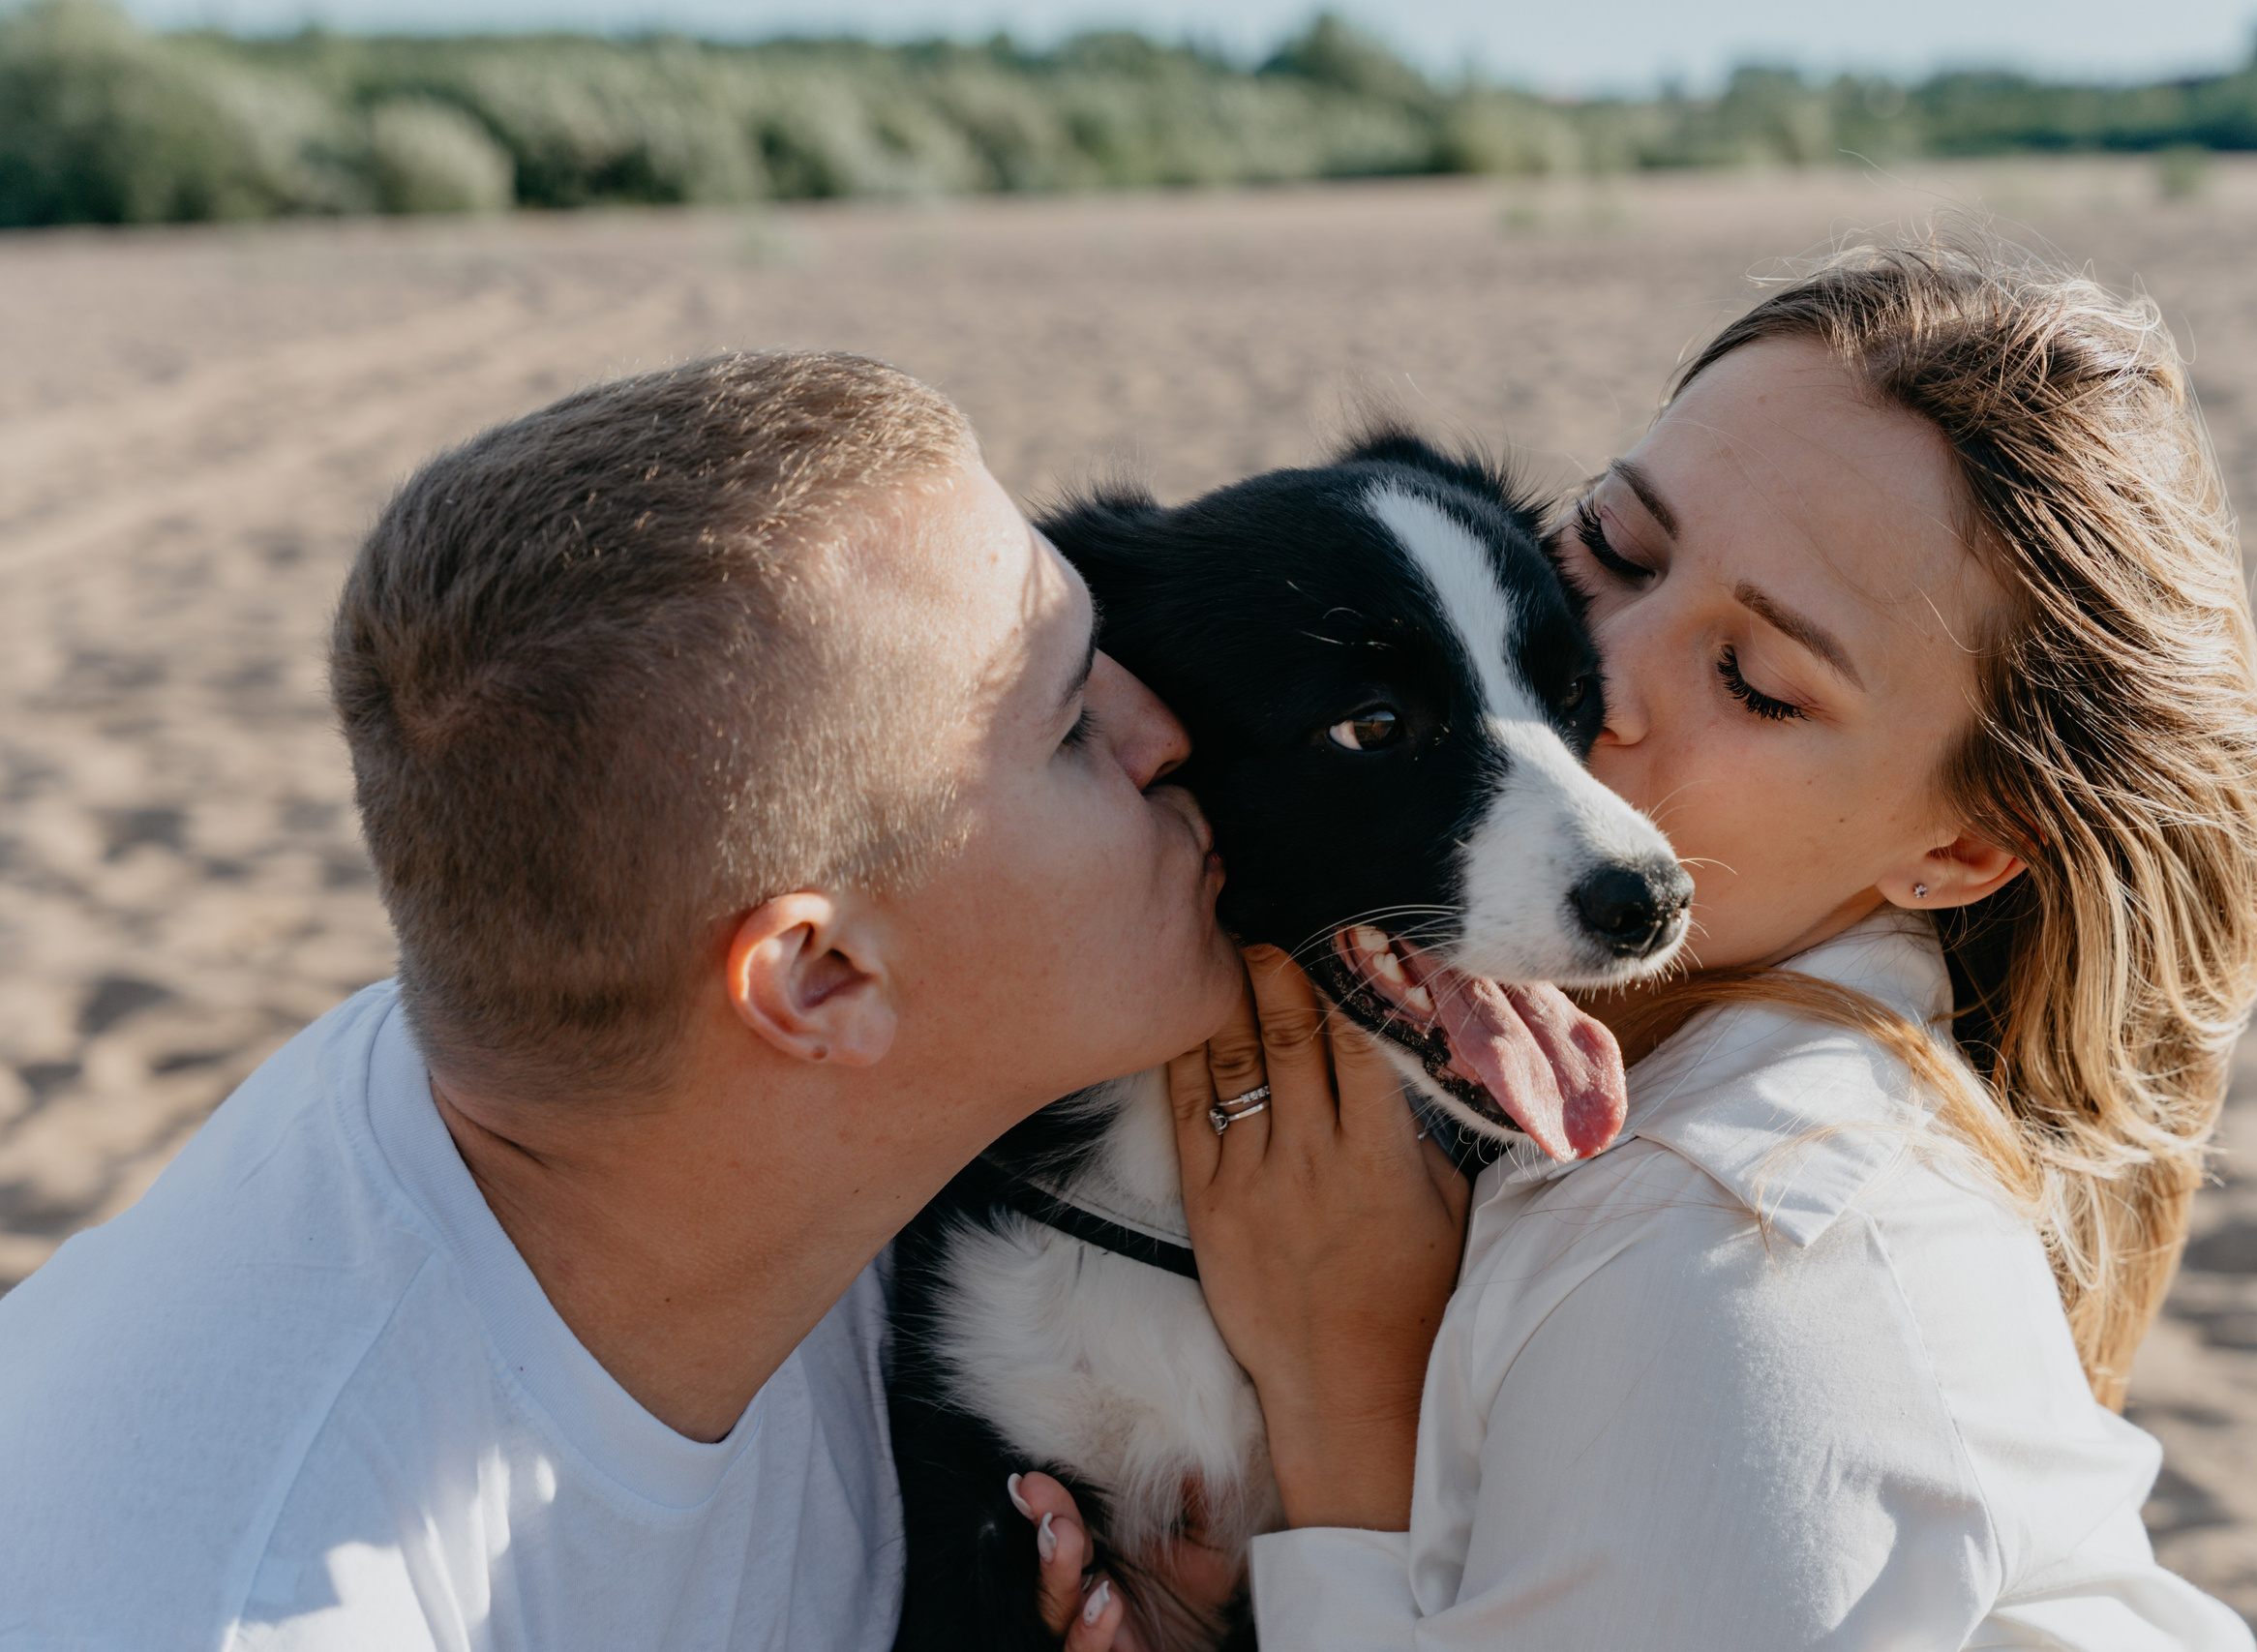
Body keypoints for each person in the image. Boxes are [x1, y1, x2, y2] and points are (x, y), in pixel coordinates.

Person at [0, 350, 1305, 1650]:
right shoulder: (252, 1595)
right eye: (1071, 722)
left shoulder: (657, 1123)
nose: (1162, 733)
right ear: (818, 980)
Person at [1176, 238, 2257, 1647]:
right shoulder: (1562, 1073)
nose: (1595, 680)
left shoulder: (1738, 1256)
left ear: (1956, 851)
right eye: (1614, 545)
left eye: (1756, 682)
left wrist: (1347, 1418)